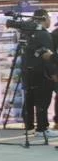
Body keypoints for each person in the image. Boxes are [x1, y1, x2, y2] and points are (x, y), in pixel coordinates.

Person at [20, 9, 55, 138]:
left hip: (27, 71)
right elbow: (48, 57)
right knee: (43, 100)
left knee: (29, 99)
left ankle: (29, 127)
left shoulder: (26, 32)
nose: (50, 21)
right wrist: (53, 73)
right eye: (49, 17)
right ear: (45, 18)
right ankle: (42, 128)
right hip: (41, 73)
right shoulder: (43, 34)